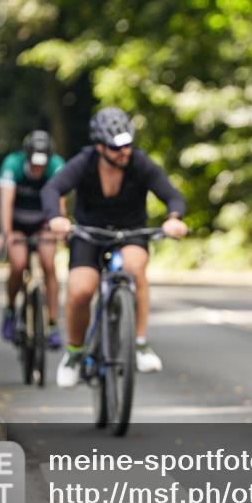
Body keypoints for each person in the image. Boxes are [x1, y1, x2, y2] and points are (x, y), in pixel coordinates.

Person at [42, 107, 187, 388]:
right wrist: (55, 217)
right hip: (89, 232)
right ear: (99, 146)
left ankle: (141, 344)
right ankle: (73, 353)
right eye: (116, 147)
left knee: (135, 267)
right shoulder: (85, 162)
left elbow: (172, 194)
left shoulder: (139, 162)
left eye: (128, 144)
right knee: (81, 289)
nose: (124, 152)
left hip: (130, 231)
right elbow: (52, 189)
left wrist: (174, 218)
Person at [0, 131, 67, 348]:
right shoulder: (13, 164)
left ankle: (53, 324)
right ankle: (9, 310)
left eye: (42, 165)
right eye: (34, 164)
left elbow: (60, 202)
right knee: (17, 264)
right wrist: (6, 233)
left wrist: (61, 229)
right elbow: (6, 202)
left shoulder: (56, 165)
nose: (38, 169)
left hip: (43, 222)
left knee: (49, 265)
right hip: (18, 222)